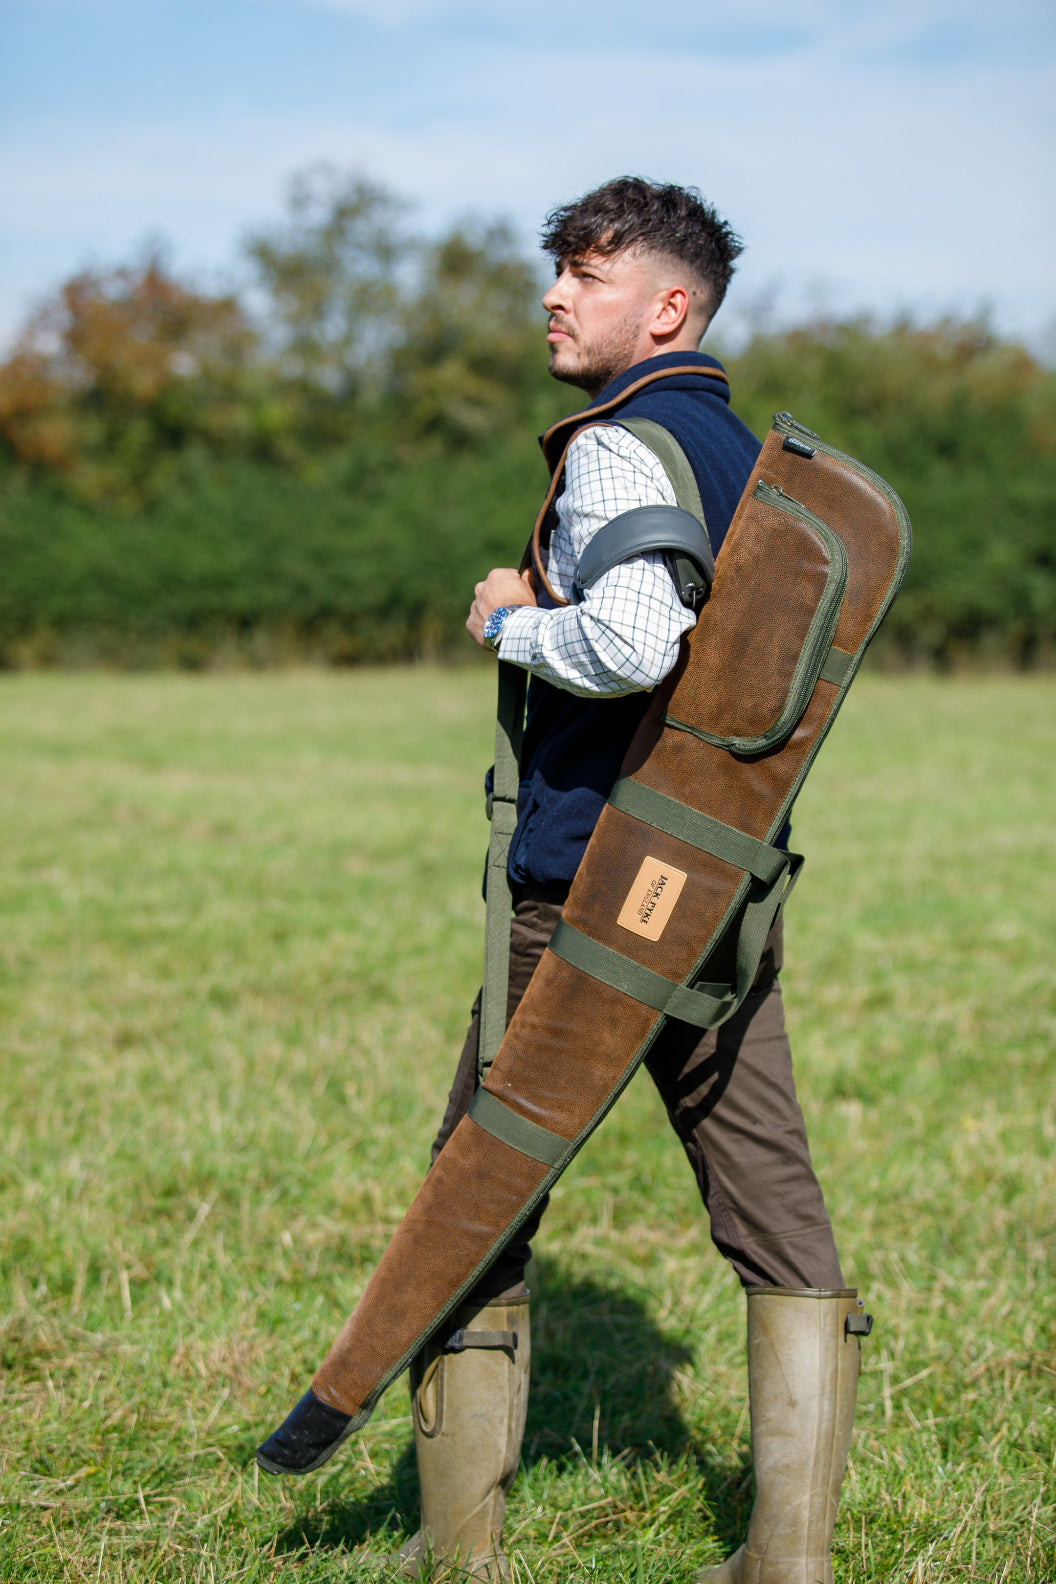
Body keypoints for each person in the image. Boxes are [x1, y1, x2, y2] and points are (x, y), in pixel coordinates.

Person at [390, 178, 864, 1584]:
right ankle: (788, 1557)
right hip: (715, 885)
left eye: (587, 278)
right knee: (769, 1193)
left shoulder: (621, 445)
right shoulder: (742, 452)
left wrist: (512, 617)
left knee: (474, 1196)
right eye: (558, 273)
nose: (554, 296)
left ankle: (455, 1550)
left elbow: (636, 640)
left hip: (587, 895)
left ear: (668, 306)